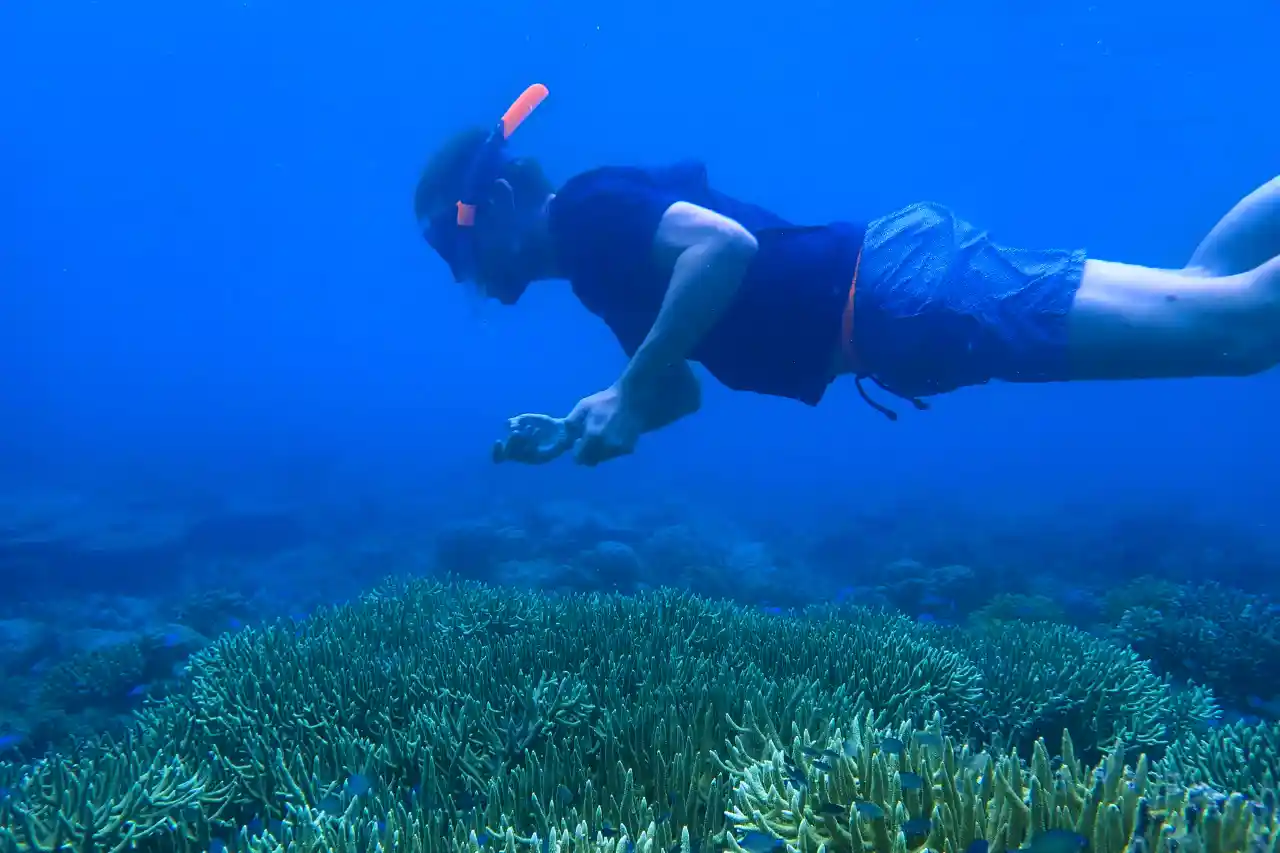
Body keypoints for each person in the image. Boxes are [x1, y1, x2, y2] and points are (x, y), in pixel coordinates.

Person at [415, 85, 1280, 467]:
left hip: (906, 301)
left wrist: (626, 387)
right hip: (905, 291)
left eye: (461, 256)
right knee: (1204, 290)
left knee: (1236, 331)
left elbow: (725, 249)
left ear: (492, 204)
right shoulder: (598, 268)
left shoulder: (584, 212)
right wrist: (584, 418)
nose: (474, 281)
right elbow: (671, 393)